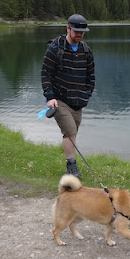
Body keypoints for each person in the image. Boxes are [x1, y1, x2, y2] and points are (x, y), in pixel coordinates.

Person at [41, 14, 95, 177]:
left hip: (78, 101)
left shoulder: (86, 50)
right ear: (68, 29)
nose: (79, 35)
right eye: (76, 31)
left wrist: (86, 94)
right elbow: (45, 73)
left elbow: (91, 77)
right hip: (59, 100)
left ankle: (70, 166)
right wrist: (50, 97)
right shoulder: (55, 48)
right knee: (70, 132)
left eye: (82, 32)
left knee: (72, 133)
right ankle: (72, 166)